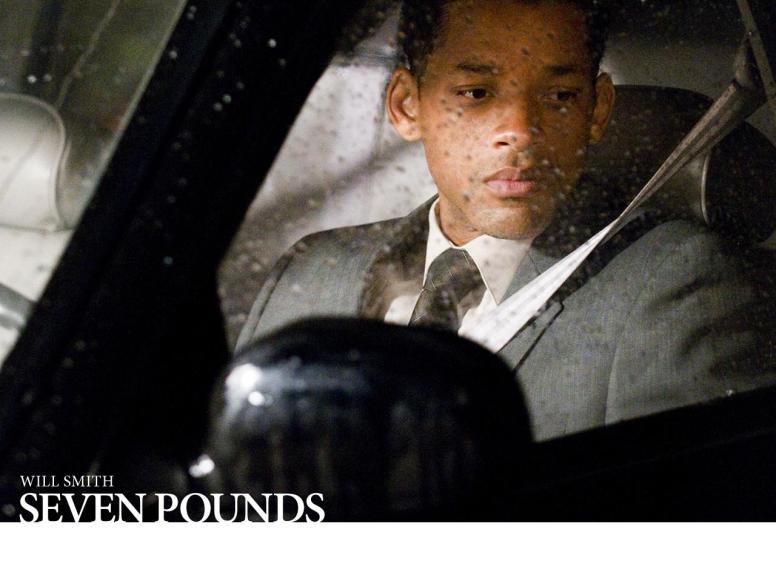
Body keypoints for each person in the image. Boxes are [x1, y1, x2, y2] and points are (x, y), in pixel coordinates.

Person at [237, 0, 776, 440]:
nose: (519, 130)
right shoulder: (309, 272)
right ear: (406, 106)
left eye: (560, 96)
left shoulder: (679, 289)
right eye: (476, 93)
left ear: (596, 111)